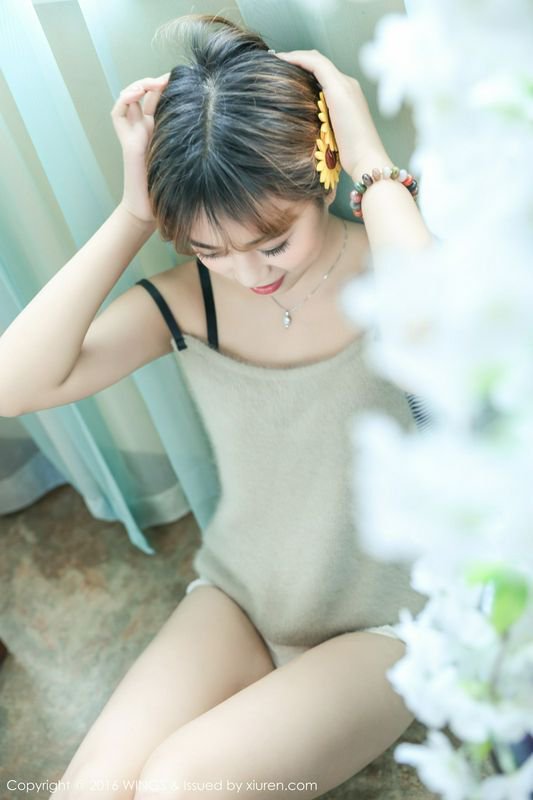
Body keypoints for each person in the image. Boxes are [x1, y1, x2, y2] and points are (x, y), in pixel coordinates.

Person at [0, 13, 434, 800]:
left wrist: (368, 157)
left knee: (180, 785)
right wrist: (134, 215)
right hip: (243, 595)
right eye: (209, 249)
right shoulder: (189, 299)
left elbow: (442, 334)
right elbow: (13, 385)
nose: (249, 275)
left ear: (323, 175)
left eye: (274, 242)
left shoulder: (395, 271)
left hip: (386, 623)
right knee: (88, 790)